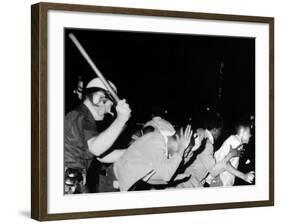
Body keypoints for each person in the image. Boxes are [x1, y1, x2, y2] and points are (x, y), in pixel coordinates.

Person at [64, 78, 131, 193]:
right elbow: (96, 148)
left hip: (73, 181)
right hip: (67, 183)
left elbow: (103, 156)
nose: (110, 110)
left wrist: (136, 150)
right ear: (99, 99)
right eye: (111, 104)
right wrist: (121, 119)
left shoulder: (85, 119)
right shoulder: (80, 116)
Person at [114, 118, 194, 191]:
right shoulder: (156, 141)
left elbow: (149, 178)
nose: (184, 155)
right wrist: (181, 149)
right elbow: (166, 174)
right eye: (185, 152)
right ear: (177, 140)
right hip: (112, 181)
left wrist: (176, 177)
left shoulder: (163, 149)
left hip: (121, 185)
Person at [177, 114, 242, 188]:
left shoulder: (199, 132)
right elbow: (213, 171)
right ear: (214, 130)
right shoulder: (207, 145)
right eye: (219, 130)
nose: (220, 133)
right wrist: (230, 155)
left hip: (185, 179)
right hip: (189, 183)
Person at [209, 121, 255, 187]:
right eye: (249, 133)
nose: (251, 135)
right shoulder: (236, 142)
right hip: (220, 180)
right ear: (243, 132)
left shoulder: (235, 140)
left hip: (220, 179)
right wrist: (244, 176)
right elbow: (226, 163)